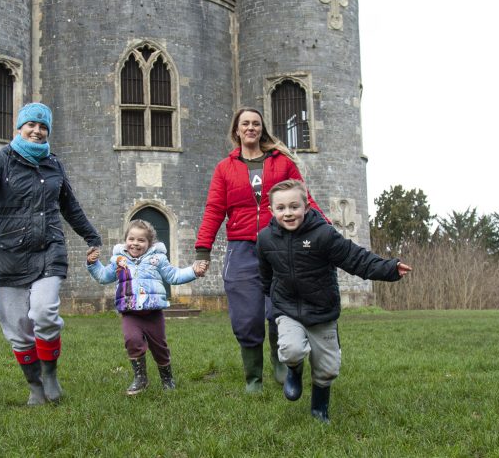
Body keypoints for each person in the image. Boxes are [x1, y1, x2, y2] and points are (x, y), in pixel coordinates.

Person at [0, 103, 101, 405]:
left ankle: (50, 374)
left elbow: (69, 206)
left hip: (49, 246)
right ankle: (35, 385)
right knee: (18, 328)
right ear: (19, 129)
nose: (37, 131)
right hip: (8, 252)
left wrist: (91, 236)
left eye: (43, 126)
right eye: (31, 125)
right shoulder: (1, 160)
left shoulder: (54, 164)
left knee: (45, 311)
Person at [258, 179, 412, 423]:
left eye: (294, 207)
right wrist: (272, 297)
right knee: (291, 350)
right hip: (287, 308)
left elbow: (356, 258)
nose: (288, 213)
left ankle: (319, 407)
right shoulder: (265, 239)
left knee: (328, 368)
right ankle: (294, 371)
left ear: (307, 207)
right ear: (271, 210)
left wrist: (389, 268)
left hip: (322, 310)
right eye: (281, 208)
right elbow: (265, 273)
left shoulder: (324, 234)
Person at [195, 107, 327, 393]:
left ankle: (282, 362)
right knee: (246, 314)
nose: (251, 128)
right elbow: (214, 209)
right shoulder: (225, 168)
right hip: (241, 248)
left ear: (262, 128)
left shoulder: (282, 163)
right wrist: (203, 250)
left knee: (278, 307)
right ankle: (253, 377)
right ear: (237, 130)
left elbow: (304, 199)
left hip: (279, 244)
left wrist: (325, 230)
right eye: (245, 124)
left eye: (256, 123)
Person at [86, 219, 207, 394]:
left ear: (149, 243)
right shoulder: (119, 261)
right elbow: (103, 277)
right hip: (130, 312)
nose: (135, 243)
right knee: (132, 341)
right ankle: (140, 378)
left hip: (153, 313)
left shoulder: (157, 259)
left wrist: (194, 271)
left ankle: (167, 379)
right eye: (131, 239)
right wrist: (93, 263)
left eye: (141, 240)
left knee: (160, 348)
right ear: (125, 240)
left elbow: (174, 276)